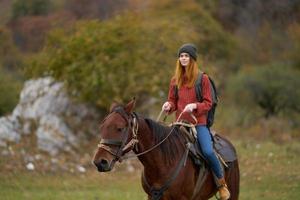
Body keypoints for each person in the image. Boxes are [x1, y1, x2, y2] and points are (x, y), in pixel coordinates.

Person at [162, 43, 230, 200]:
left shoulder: (203, 78)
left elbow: (209, 102)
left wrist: (194, 106)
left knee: (207, 151)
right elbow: (172, 101)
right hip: (179, 124)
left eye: (186, 56)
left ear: (192, 59)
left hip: (198, 124)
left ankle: (221, 184)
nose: (183, 58)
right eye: (181, 56)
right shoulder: (175, 80)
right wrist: (168, 105)